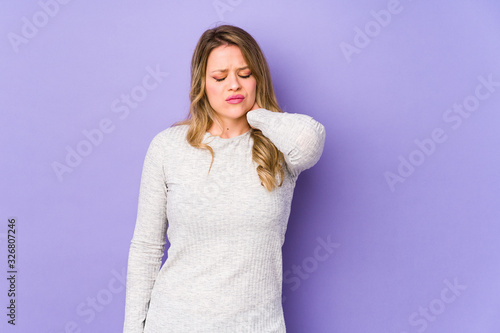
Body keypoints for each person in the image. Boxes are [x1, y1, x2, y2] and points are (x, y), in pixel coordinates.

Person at [123, 24, 326, 333]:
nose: (234, 85)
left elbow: (310, 140)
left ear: (258, 79)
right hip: (174, 323)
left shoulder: (278, 149)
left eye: (245, 75)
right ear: (202, 84)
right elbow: (146, 248)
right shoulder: (168, 147)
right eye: (220, 77)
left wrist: (257, 116)